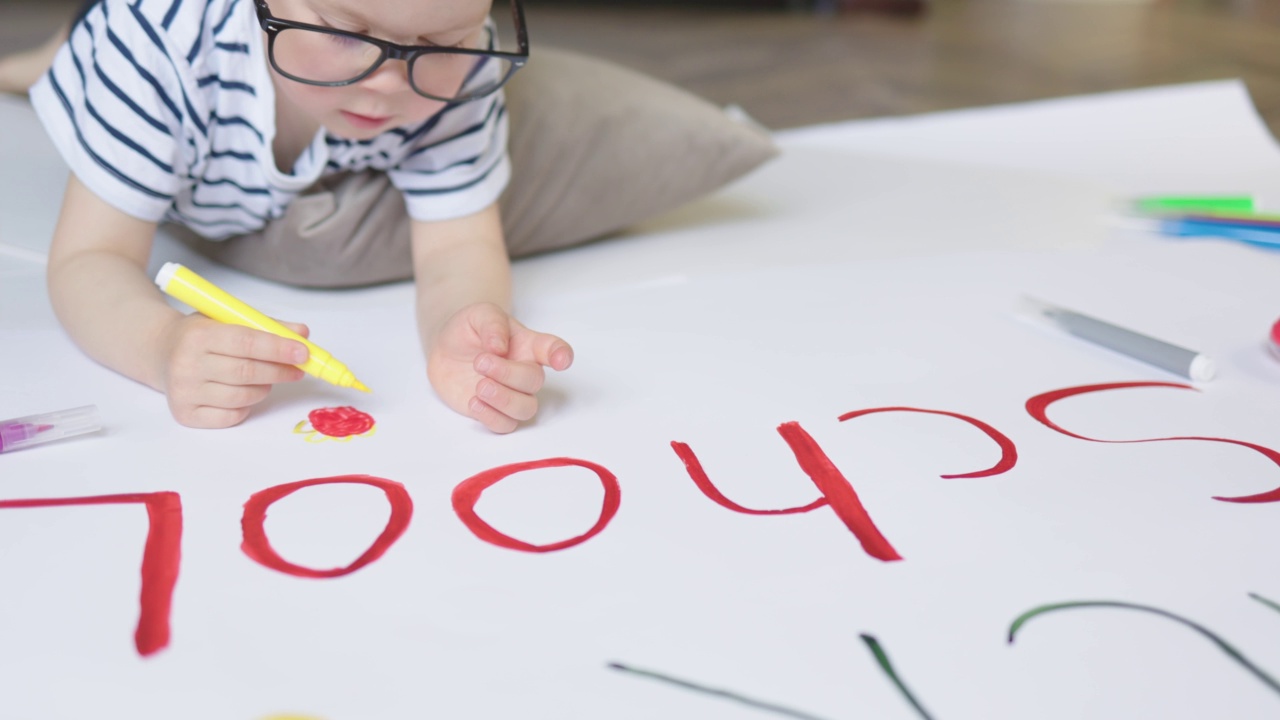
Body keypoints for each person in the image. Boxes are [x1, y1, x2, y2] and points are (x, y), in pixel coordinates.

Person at [13, 0, 573, 434]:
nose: (387, 84)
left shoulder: (465, 69)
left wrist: (467, 326)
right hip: (137, 45)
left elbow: (458, 246)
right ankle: (46, 60)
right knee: (66, 57)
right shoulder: (155, 44)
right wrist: (161, 346)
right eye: (341, 32)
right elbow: (90, 257)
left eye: (441, 44)